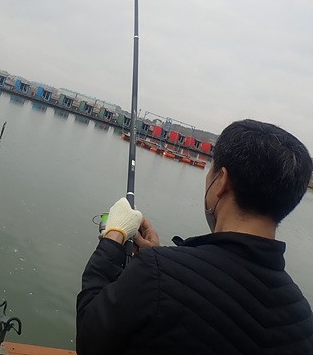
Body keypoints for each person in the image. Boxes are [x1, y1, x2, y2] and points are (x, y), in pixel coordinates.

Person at [77, 119, 313, 354]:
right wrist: (159, 260)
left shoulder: (156, 273)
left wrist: (115, 235)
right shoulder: (303, 319)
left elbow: (90, 338)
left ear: (221, 181)